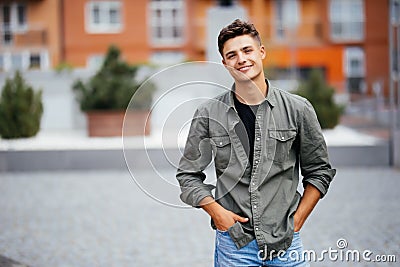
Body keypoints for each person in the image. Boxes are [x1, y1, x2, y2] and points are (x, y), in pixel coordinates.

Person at [176, 19, 336, 266]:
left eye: (247, 50)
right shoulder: (209, 113)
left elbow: (319, 171)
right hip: (234, 244)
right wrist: (217, 213)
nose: (241, 59)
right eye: (232, 55)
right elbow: (188, 175)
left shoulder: (298, 109)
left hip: (285, 242)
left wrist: (297, 221)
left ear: (261, 52)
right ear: (225, 63)